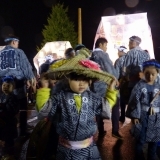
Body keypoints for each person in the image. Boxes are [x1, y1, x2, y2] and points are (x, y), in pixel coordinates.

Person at [34, 48, 118, 159]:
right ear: (68, 79)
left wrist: (111, 91)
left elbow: (105, 108)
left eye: (85, 79)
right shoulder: (60, 97)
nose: (81, 83)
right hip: (65, 150)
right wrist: (44, 89)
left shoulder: (92, 98)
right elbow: (44, 110)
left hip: (89, 148)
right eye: (77, 79)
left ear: (90, 81)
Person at [0, 35, 35, 137]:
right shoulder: (19, 52)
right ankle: (22, 131)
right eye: (17, 43)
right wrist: (31, 79)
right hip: (18, 86)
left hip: (4, 87)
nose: (18, 45)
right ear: (14, 42)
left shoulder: (1, 53)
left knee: (6, 109)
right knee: (22, 109)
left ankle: (6, 132)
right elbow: (26, 68)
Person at [126, 59, 160, 160]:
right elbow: (134, 101)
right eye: (147, 74)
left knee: (154, 140)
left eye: (153, 74)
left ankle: (152, 157)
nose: (150, 76)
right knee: (141, 139)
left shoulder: (159, 86)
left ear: (157, 73)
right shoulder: (140, 85)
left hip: (157, 118)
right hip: (143, 116)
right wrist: (134, 116)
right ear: (143, 72)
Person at [90, 37, 122, 139]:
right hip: (105, 85)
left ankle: (101, 130)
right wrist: (115, 77)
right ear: (101, 44)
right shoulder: (102, 55)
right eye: (105, 45)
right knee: (115, 105)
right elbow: (110, 70)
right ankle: (115, 130)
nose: (106, 48)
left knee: (99, 108)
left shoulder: (91, 55)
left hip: (95, 87)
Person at [122, 36, 150, 100]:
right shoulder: (146, 54)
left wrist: (124, 78)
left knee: (133, 102)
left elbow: (125, 68)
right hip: (144, 81)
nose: (128, 44)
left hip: (133, 82)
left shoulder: (131, 53)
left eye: (129, 43)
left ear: (133, 43)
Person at [0, 76, 19, 159]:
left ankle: (10, 155)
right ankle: (4, 154)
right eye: (4, 85)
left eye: (8, 86)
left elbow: (13, 110)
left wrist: (3, 106)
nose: (5, 87)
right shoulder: (2, 96)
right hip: (3, 123)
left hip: (10, 124)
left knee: (9, 141)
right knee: (3, 139)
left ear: (12, 87)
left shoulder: (13, 97)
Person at [114, 46, 128, 123]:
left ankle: (122, 116)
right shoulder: (130, 58)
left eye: (119, 51)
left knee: (121, 100)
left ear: (122, 51)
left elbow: (116, 74)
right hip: (131, 82)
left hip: (122, 82)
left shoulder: (119, 60)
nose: (118, 53)